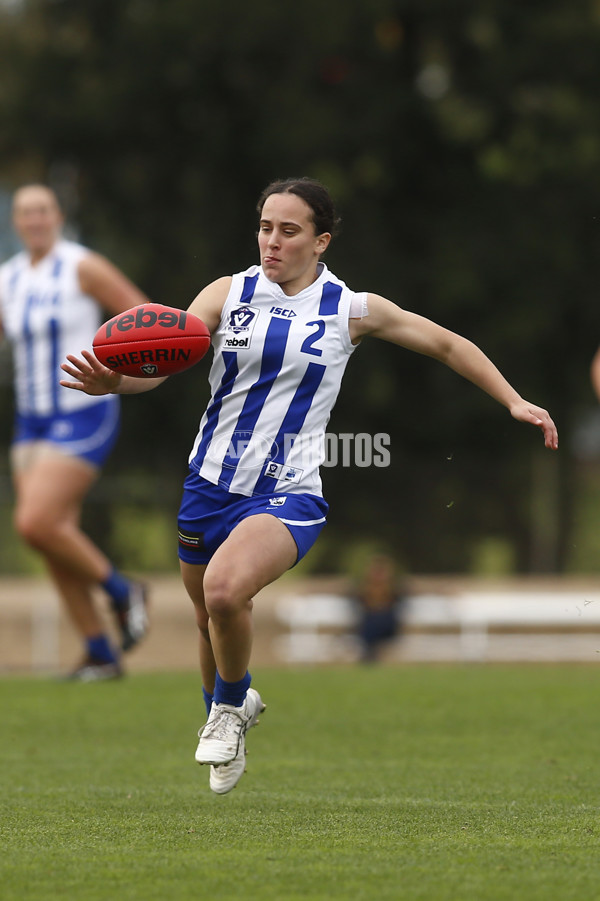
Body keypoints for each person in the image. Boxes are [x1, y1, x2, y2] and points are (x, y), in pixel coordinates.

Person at [60, 176, 558, 792]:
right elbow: (165, 362)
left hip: (288, 490)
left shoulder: (352, 310)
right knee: (206, 619)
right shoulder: (227, 292)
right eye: (265, 227)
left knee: (223, 592)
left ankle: (228, 707)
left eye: (289, 231)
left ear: (320, 241)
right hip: (208, 483)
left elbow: (447, 345)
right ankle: (226, 714)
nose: (272, 241)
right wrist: (118, 383)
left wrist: (513, 401)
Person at [0, 184, 151, 681]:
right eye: (26, 213)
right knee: (51, 536)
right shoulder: (10, 278)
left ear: (58, 216)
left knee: (35, 522)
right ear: (16, 222)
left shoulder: (83, 266)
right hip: (32, 418)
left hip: (82, 409)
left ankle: (124, 592)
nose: (35, 220)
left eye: (43, 210)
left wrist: (122, 373)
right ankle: (100, 654)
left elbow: (146, 319)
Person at [354, 553, 405, 663]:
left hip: (385, 621)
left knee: (375, 623)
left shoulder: (392, 587)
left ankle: (369, 655)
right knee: (370, 623)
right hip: (372, 619)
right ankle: (370, 654)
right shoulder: (366, 587)